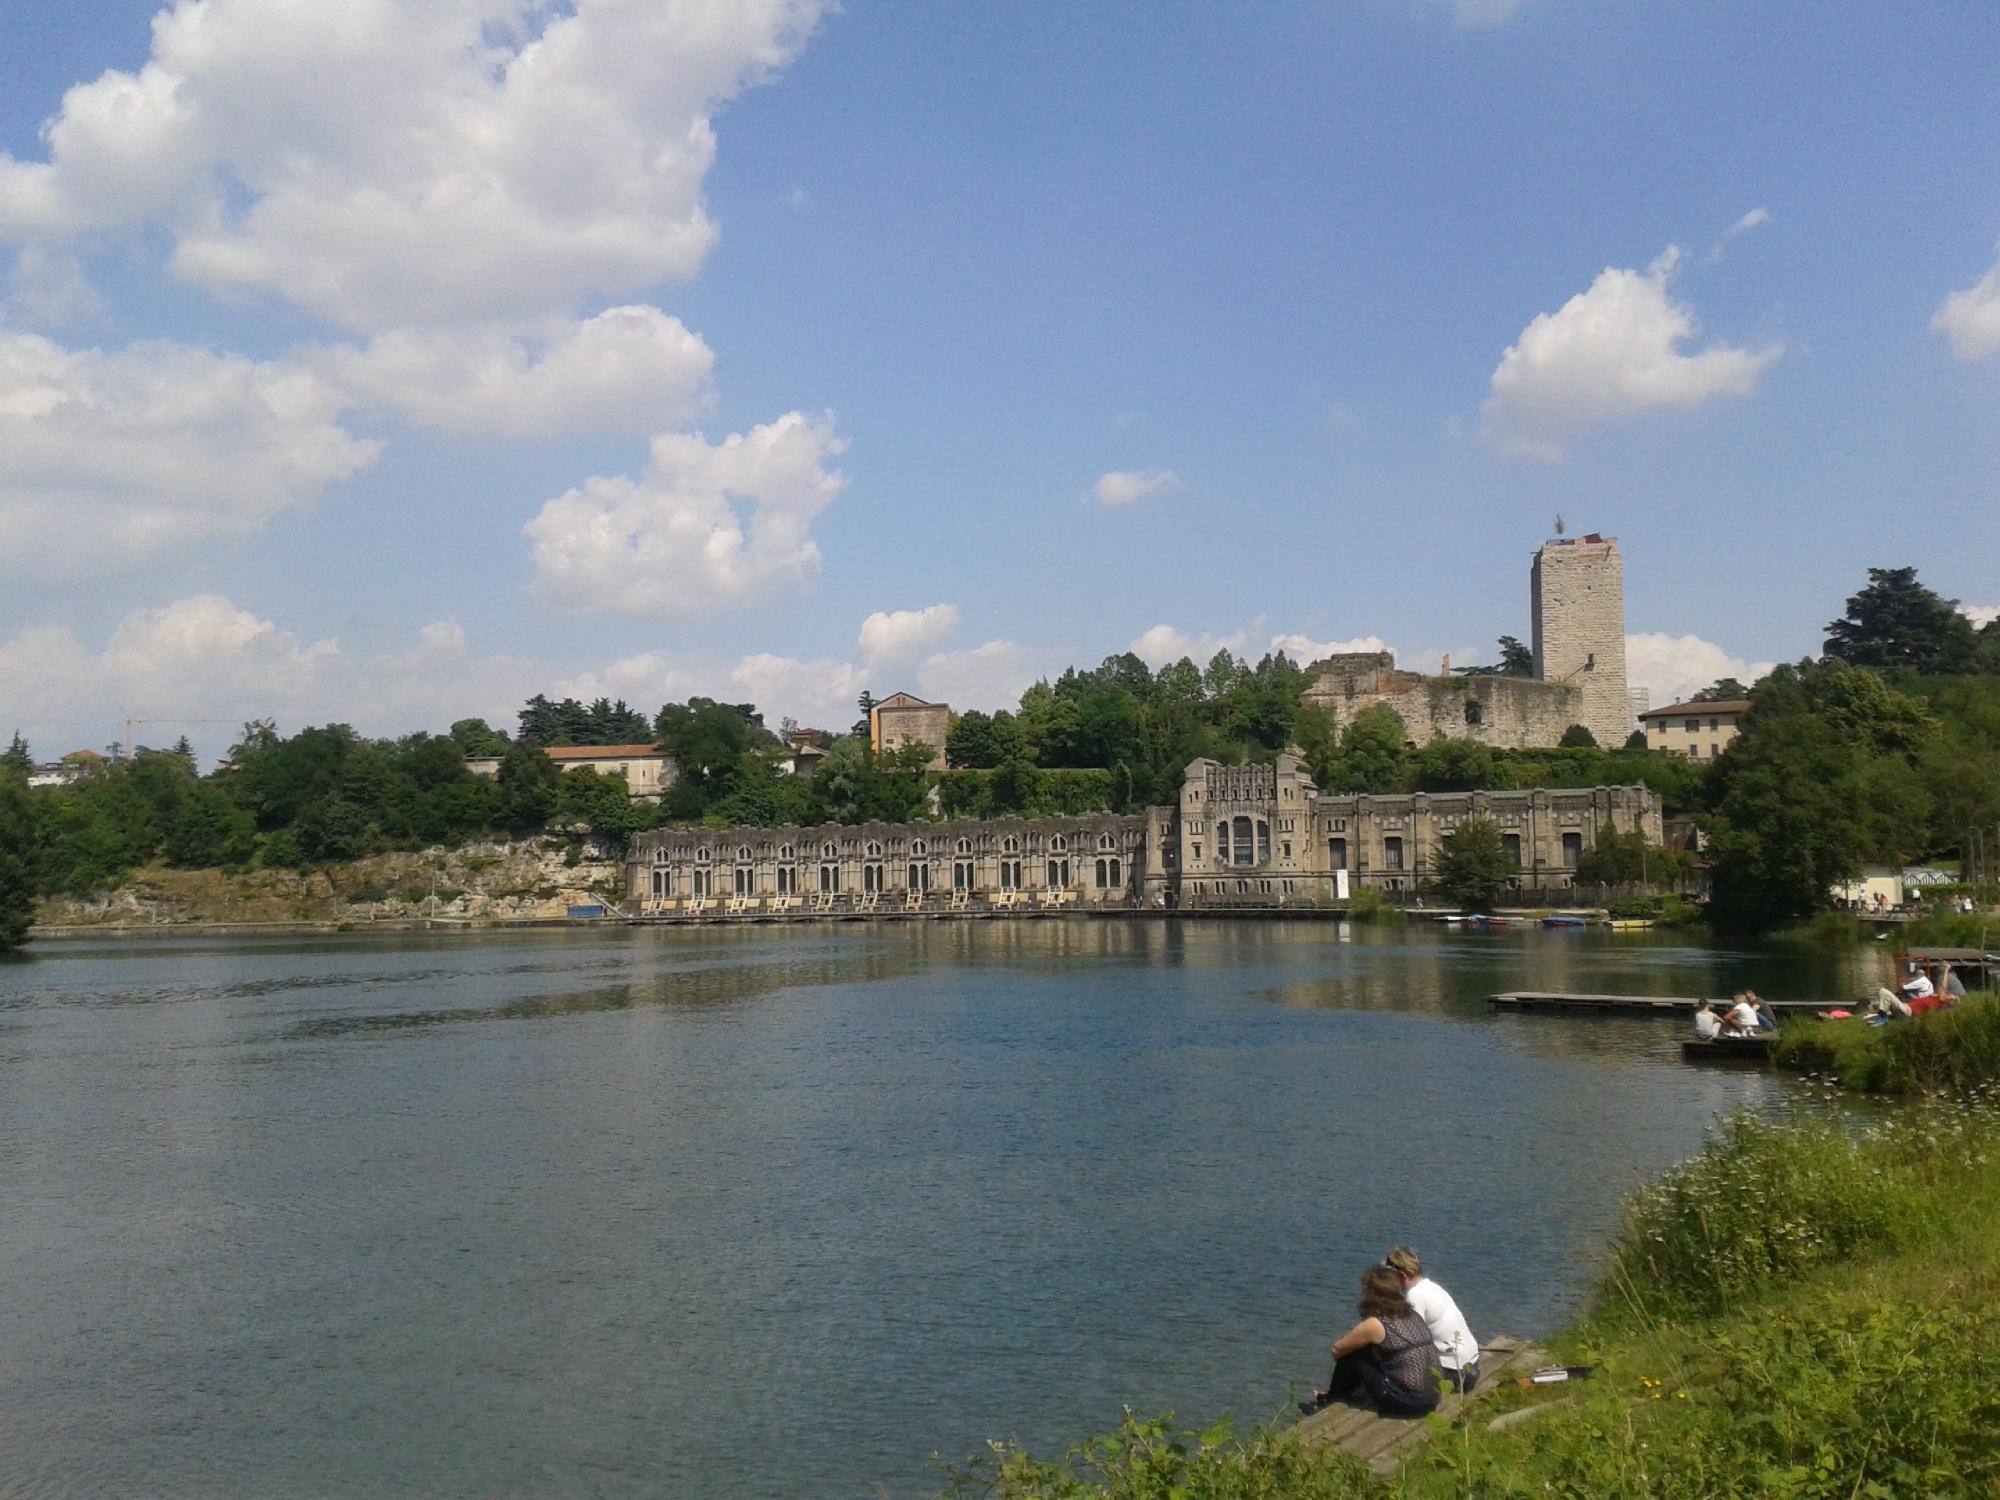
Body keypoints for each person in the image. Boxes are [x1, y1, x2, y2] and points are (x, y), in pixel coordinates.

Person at [1301, 1265, 1442, 1418]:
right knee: (1375, 1353)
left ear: (1371, 1294)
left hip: (1406, 1404)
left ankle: (1329, 1403)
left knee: (1353, 1354)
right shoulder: (1413, 1315)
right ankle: (1337, 1397)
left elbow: (1337, 1349)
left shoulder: (1377, 1323)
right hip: (1431, 1399)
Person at [1384, 1246, 1479, 1392]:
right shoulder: (1432, 1287)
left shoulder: (1415, 1295)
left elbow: (1408, 1341)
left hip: (1454, 1373)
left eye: (1389, 1276)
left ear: (1402, 1276)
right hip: (1472, 1366)